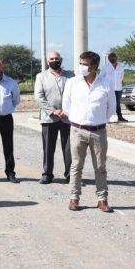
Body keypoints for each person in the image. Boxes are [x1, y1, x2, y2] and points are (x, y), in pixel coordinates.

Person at [62, 51, 115, 213]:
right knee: (76, 166)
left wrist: (97, 120)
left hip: (99, 132)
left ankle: (102, 200)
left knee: (100, 167)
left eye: (85, 64)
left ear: (95, 66)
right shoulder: (72, 83)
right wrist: (79, 120)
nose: (82, 67)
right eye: (81, 63)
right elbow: (67, 106)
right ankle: (74, 198)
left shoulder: (106, 84)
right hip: (78, 130)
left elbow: (111, 108)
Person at [34, 51, 74, 184]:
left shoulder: (70, 75)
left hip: (67, 117)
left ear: (61, 59)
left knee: (69, 148)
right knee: (48, 147)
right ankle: (47, 174)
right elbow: (39, 97)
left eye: (57, 58)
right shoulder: (41, 77)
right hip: (49, 118)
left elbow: (76, 94)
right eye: (52, 58)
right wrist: (53, 111)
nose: (54, 60)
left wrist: (66, 111)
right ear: (47, 61)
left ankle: (70, 175)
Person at [100, 52, 127, 122]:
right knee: (108, 104)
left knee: (117, 104)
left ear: (116, 58)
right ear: (109, 59)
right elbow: (101, 77)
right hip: (108, 89)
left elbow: (121, 77)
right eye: (111, 58)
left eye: (113, 58)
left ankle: (120, 117)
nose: (112, 59)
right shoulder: (105, 67)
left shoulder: (121, 66)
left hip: (118, 88)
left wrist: (119, 83)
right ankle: (106, 119)